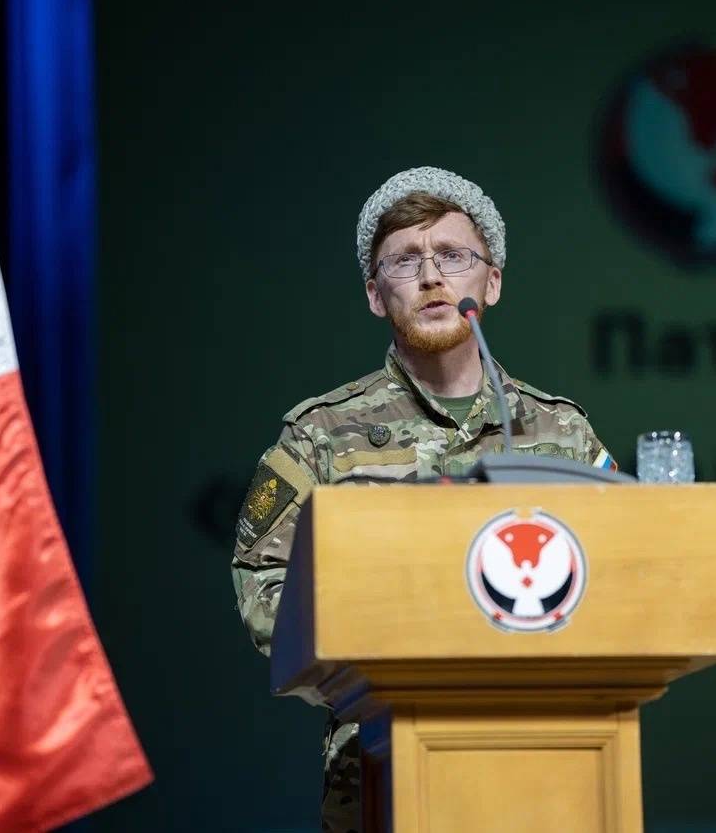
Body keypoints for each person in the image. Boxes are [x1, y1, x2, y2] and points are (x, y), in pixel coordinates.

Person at [230, 166, 616, 832]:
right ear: (375, 294)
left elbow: (627, 570)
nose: (433, 276)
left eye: (454, 255)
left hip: (548, 762)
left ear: (491, 283)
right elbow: (264, 584)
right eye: (406, 260)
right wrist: (375, 658)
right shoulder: (323, 436)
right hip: (382, 768)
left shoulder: (563, 432)